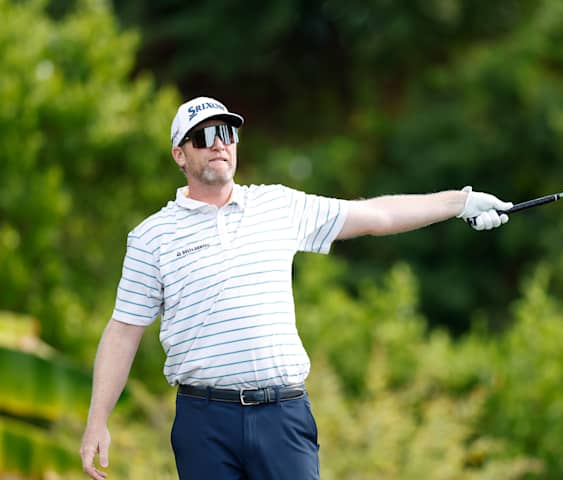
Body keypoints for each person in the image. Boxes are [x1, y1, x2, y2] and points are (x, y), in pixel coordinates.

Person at [79, 96, 512, 480]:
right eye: (203, 136)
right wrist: (98, 419)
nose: (218, 142)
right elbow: (123, 332)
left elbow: (377, 217)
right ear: (179, 154)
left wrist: (460, 202)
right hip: (203, 420)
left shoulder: (278, 205)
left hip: (282, 414)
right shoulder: (152, 236)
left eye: (226, 132)